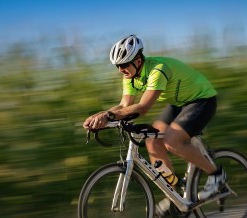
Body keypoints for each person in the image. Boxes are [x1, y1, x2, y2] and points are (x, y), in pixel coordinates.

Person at [82, 34, 226, 207]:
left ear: (137, 60)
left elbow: (142, 108)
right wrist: (99, 116)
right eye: (117, 66)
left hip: (202, 100)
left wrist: (108, 116)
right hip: (179, 103)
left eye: (123, 65)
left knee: (171, 141)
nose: (120, 70)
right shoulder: (130, 77)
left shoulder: (158, 69)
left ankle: (217, 175)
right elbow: (124, 105)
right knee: (152, 140)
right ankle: (175, 195)